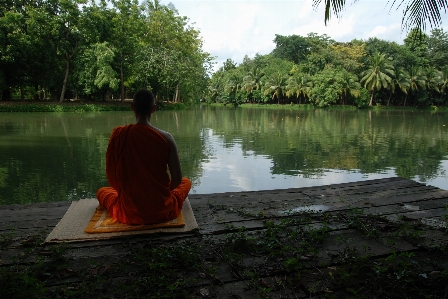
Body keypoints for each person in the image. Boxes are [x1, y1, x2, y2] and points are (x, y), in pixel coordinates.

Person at [96, 89, 192, 225]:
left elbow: (112, 178)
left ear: (132, 107)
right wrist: (158, 192)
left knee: (102, 191)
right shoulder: (167, 138)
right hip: (162, 210)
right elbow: (176, 180)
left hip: (129, 213)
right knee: (186, 182)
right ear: (153, 109)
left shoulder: (120, 135)